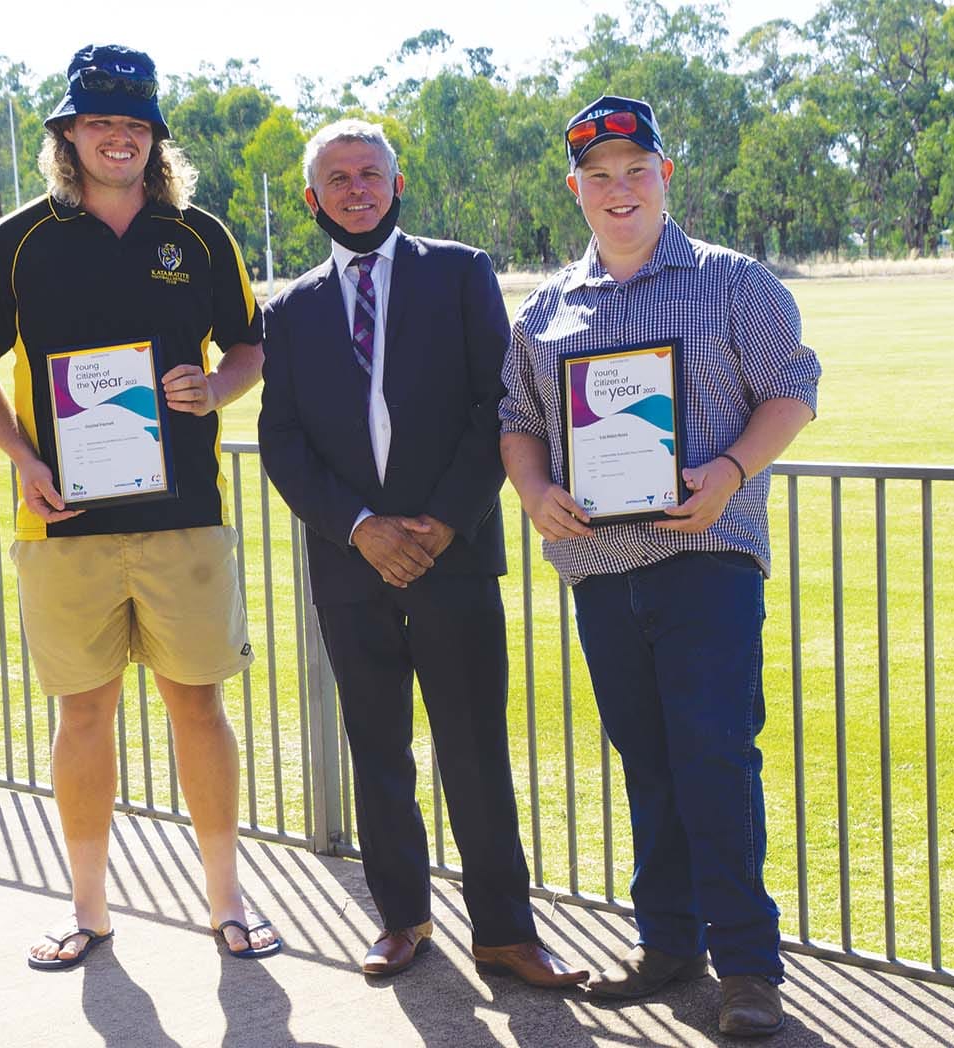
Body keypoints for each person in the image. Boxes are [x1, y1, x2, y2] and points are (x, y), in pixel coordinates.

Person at [0, 43, 280, 970]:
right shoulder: (14, 241)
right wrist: (18, 458)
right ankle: (88, 913)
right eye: (99, 121)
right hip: (62, 525)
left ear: (154, 135)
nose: (118, 137)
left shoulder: (201, 235)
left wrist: (215, 389)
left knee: (198, 710)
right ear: (69, 132)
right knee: (82, 718)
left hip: (185, 521)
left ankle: (228, 904)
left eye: (134, 123)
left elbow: (249, 349)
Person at [499, 95, 821, 1037]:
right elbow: (518, 419)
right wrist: (531, 490)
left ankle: (748, 970)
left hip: (704, 561)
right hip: (601, 570)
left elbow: (793, 391)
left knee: (716, 758)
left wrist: (727, 473)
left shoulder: (734, 283)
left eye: (635, 170)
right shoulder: (549, 309)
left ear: (665, 176)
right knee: (647, 762)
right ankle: (669, 944)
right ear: (576, 190)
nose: (619, 189)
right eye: (599, 177)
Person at [258, 119, 586, 988]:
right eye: (338, 177)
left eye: (371, 173)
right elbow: (283, 442)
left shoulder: (460, 272)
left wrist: (441, 522)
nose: (356, 188)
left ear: (396, 186)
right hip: (350, 566)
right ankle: (401, 920)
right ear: (312, 197)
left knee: (474, 750)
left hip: (455, 557)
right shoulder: (289, 311)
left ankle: (507, 934)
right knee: (377, 750)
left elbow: (499, 407)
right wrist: (361, 528)